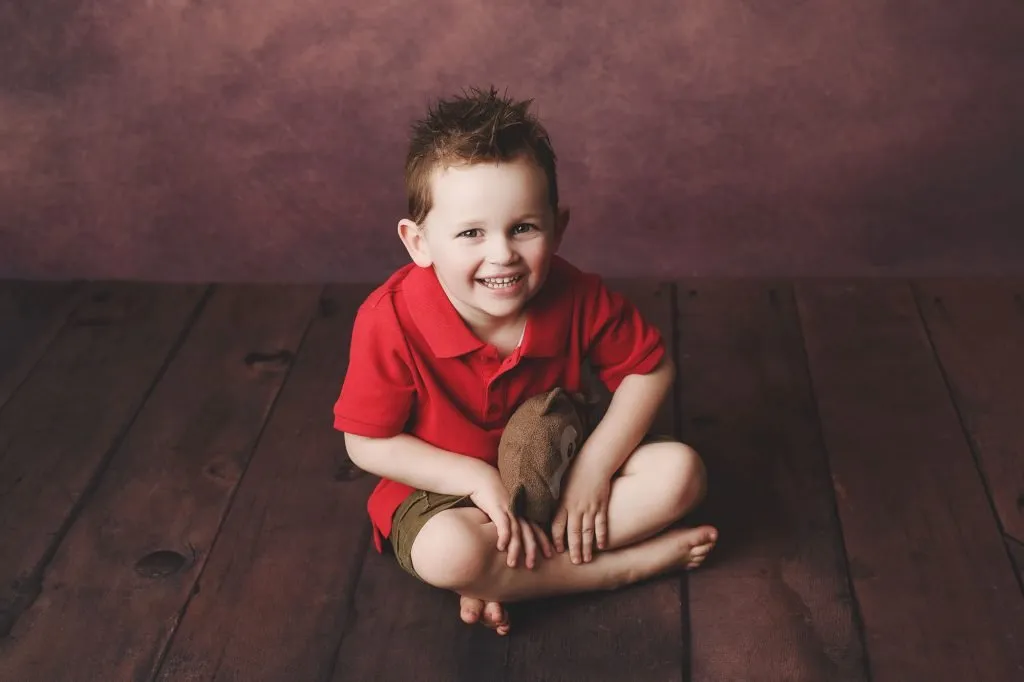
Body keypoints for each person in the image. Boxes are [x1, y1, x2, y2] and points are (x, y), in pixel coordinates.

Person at [333, 86, 717, 636]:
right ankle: (618, 569)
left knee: (681, 475)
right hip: (448, 494)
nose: (502, 254)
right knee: (449, 553)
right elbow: (366, 442)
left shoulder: (574, 294)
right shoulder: (388, 319)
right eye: (471, 233)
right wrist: (473, 476)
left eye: (523, 228)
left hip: (557, 472)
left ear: (558, 228)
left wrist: (593, 470)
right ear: (419, 243)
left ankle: (504, 579)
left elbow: (648, 369)